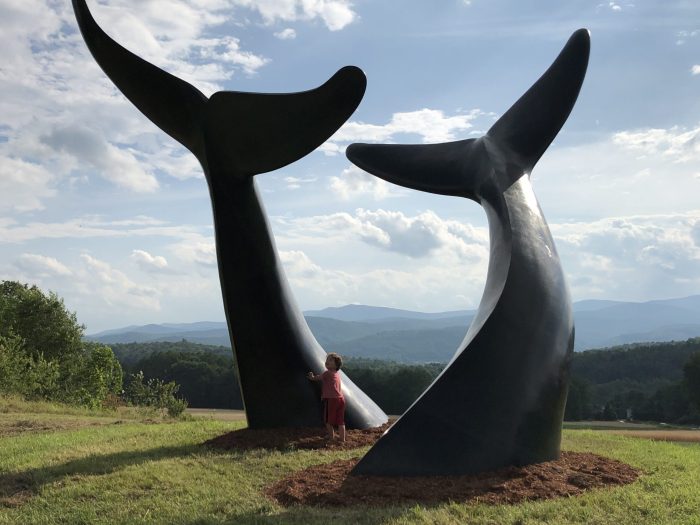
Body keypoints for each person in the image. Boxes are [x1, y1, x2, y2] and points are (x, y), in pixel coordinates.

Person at [307, 353, 346, 442]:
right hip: (341, 399)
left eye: (330, 360)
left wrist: (311, 377)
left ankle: (331, 438)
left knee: (328, 421)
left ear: (336, 365)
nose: (327, 361)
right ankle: (342, 439)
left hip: (332, 400)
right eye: (327, 359)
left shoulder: (327, 373)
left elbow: (318, 378)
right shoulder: (337, 374)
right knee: (340, 421)